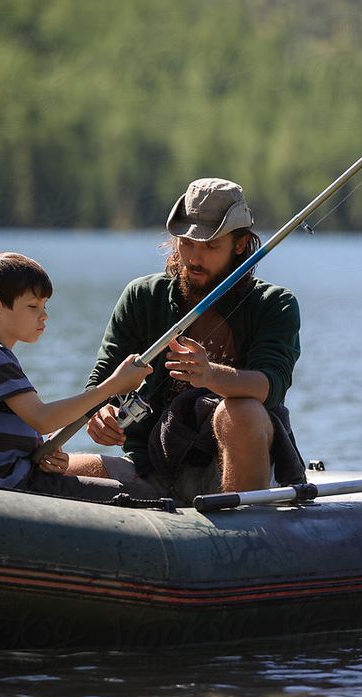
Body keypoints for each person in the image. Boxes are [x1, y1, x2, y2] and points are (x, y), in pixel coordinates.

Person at [68, 178, 306, 505]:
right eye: (186, 243)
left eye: (209, 247)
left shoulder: (274, 304)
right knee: (55, 472)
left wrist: (211, 376)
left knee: (242, 411)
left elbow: (272, 384)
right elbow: (101, 380)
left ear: (240, 245)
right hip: (149, 467)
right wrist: (101, 414)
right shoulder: (142, 296)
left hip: (232, 468)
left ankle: (247, 532)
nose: (194, 258)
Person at [0, 252, 152, 500]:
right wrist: (113, 386)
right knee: (138, 495)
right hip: (10, 489)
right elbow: (42, 418)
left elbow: (26, 430)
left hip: (11, 481)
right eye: (33, 306)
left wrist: (44, 455)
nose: (44, 315)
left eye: (44, 306)